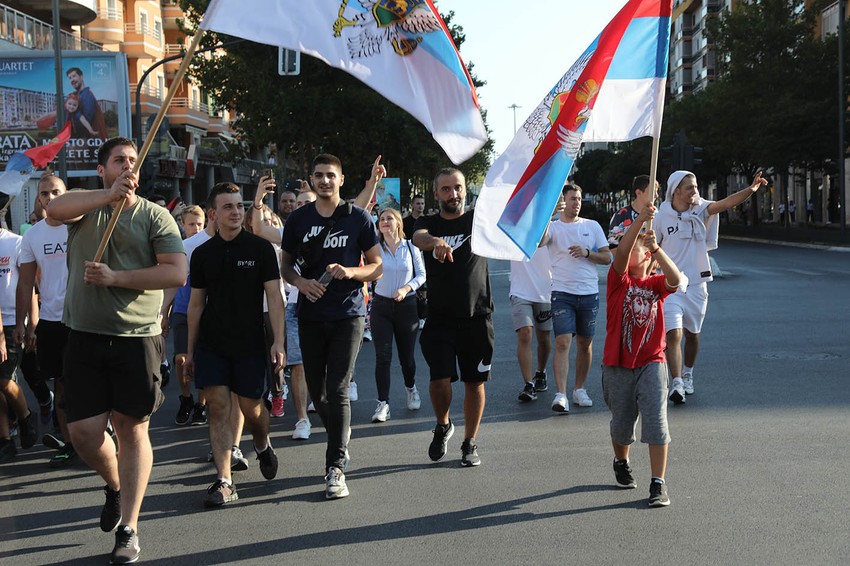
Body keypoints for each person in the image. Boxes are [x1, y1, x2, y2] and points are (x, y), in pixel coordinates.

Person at [46, 137, 186, 564]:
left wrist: (115, 278)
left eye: (133, 161)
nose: (128, 167)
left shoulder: (155, 216)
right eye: (119, 161)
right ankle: (116, 483)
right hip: (84, 334)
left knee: (132, 428)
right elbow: (53, 210)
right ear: (103, 169)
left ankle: (129, 526)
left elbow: (175, 272)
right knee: (83, 433)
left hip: (137, 337)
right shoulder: (86, 207)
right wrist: (106, 196)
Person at [280, 154, 382, 499]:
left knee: (337, 388)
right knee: (318, 392)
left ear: (341, 179)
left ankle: (335, 466)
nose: (325, 181)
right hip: (310, 315)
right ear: (311, 179)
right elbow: (286, 266)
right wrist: (301, 283)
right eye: (319, 175)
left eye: (331, 176)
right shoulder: (298, 219)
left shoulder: (359, 218)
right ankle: (341, 432)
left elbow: (377, 266)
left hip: (348, 313)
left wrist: (351, 272)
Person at [185, 182, 284, 508]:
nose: (236, 211)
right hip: (213, 344)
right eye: (228, 207)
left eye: (239, 206)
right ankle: (224, 480)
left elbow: (274, 296)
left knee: (252, 410)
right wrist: (190, 349)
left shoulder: (259, 249)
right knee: (217, 407)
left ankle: (261, 443)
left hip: (251, 344)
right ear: (213, 213)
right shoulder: (201, 254)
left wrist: (278, 341)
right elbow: (196, 305)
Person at [656, 170, 766, 403]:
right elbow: (652, 248)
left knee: (692, 335)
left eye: (695, 187)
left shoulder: (701, 208)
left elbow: (726, 203)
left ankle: (687, 374)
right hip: (671, 285)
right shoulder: (661, 216)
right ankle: (676, 383)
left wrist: (751, 190)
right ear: (676, 191)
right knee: (673, 333)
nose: (695, 191)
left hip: (696, 284)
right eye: (690, 187)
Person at [412, 167, 493, 467]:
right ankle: (443, 424)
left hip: (477, 316)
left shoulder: (477, 220)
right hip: (440, 319)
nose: (453, 194)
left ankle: (469, 442)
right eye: (446, 189)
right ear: (436, 194)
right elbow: (419, 237)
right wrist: (436, 242)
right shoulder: (428, 223)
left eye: (457, 187)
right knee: (439, 380)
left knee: (475, 383)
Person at [602, 203, 681, 507]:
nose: (628, 248)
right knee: (622, 426)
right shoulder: (618, 281)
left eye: (637, 246)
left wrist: (657, 249)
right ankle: (621, 460)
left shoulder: (655, 285)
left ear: (646, 256)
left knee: (657, 423)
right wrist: (639, 221)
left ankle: (658, 484)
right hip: (617, 365)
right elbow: (621, 253)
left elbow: (675, 279)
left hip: (651, 363)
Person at [15, 173, 76, 468]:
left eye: (56, 192)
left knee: (93, 381)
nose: (50, 198)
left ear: (66, 195)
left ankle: (101, 433)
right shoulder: (32, 235)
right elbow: (25, 284)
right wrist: (23, 324)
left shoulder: (81, 227)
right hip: (52, 322)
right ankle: (69, 443)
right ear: (38, 199)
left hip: (85, 318)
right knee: (61, 386)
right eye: (44, 193)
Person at [539, 184, 612, 412]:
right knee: (562, 341)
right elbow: (539, 242)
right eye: (573, 199)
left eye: (579, 199)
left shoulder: (592, 226)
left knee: (585, 343)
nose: (577, 203)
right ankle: (561, 394)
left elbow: (607, 257)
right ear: (564, 201)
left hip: (589, 293)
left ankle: (579, 389)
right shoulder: (552, 227)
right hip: (562, 293)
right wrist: (548, 214)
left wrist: (587, 252)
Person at [370, 208, 425, 422]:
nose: (384, 222)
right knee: (382, 357)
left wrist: (406, 289)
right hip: (381, 307)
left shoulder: (411, 247)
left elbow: (421, 275)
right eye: (381, 219)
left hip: (406, 307)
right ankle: (383, 404)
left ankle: (411, 388)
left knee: (407, 358)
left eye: (389, 218)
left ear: (398, 223)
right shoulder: (374, 249)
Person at [163, 205, 208, 428]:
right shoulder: (180, 249)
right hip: (181, 309)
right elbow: (171, 282)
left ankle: (201, 405)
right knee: (181, 359)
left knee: (202, 359)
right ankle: (186, 398)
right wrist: (164, 312)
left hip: (205, 311)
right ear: (182, 224)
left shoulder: (210, 245)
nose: (196, 228)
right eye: (191, 224)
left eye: (199, 224)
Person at [511, 246, 553, 403]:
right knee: (525, 333)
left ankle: (541, 372)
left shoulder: (549, 224)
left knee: (544, 338)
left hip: (544, 291)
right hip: (520, 291)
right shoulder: (514, 225)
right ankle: (529, 384)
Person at [608, 175, 657, 247]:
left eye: (657, 191)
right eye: (652, 192)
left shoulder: (659, 215)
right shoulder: (621, 215)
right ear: (638, 193)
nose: (656, 195)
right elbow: (612, 246)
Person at [65, 67, 107, 139]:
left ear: (81, 77)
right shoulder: (77, 96)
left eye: (74, 76)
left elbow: (85, 123)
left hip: (86, 143)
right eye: (70, 78)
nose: (72, 80)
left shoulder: (87, 95)